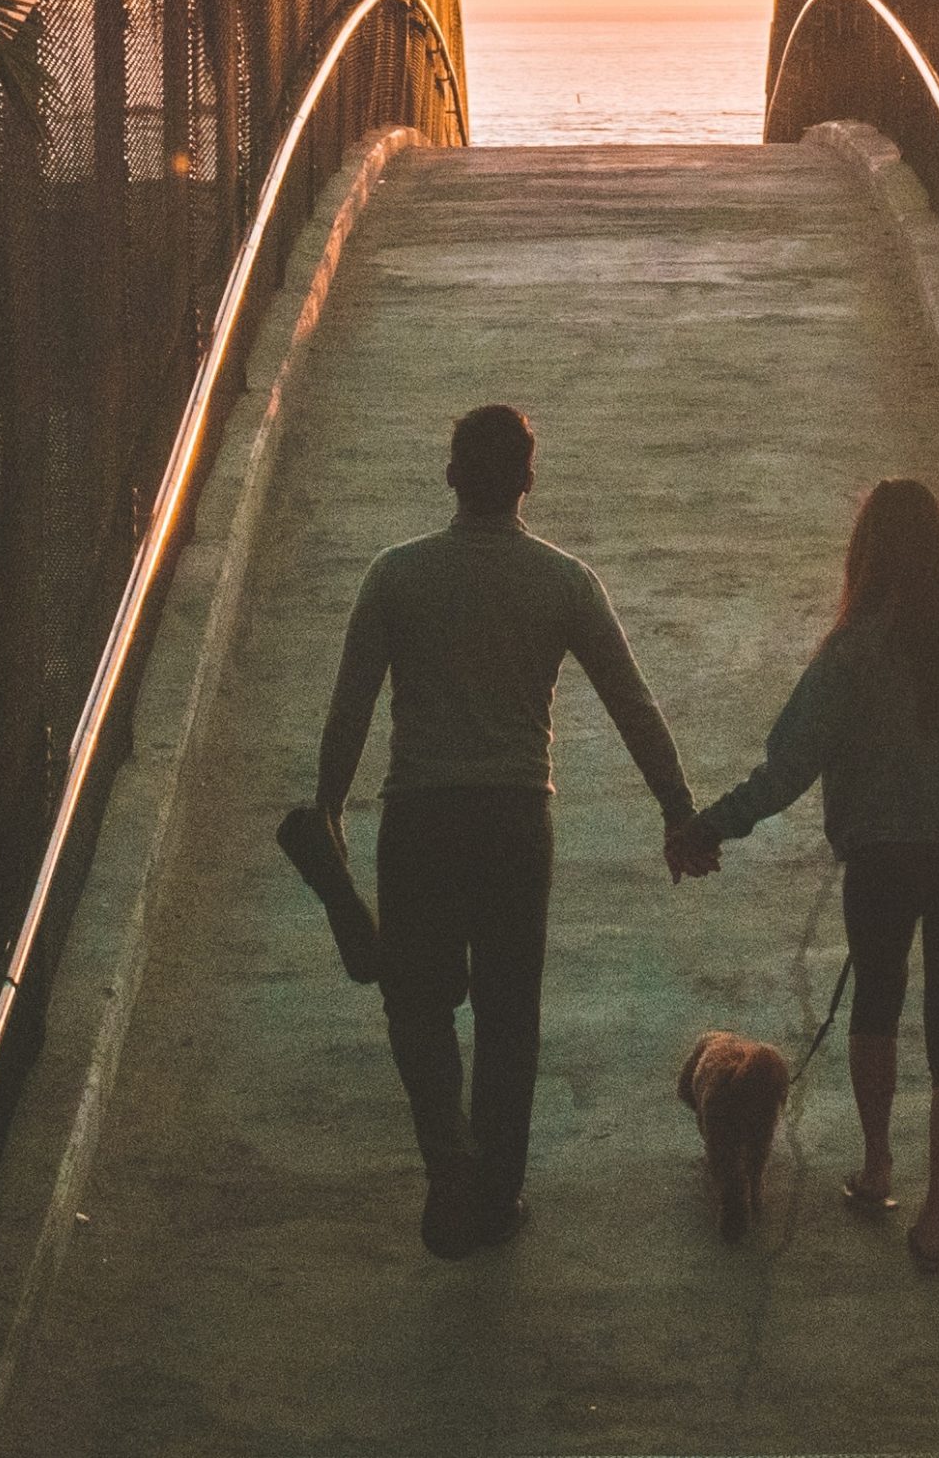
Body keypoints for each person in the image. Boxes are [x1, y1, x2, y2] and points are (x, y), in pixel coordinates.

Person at [315, 403, 714, 1259]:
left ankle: (447, 1157)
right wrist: (678, 810)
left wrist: (328, 806)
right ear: (528, 482)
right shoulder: (563, 582)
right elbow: (633, 704)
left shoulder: (395, 576)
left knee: (415, 1001)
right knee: (507, 1013)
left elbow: (350, 706)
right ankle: (496, 1196)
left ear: (452, 474)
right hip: (514, 818)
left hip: (418, 816)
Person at [672, 478, 939, 1272]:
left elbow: (789, 767)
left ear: (866, 556)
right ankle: (936, 1222)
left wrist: (710, 826)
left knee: (875, 1007)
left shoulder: (849, 653)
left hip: (879, 861)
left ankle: (878, 1168)